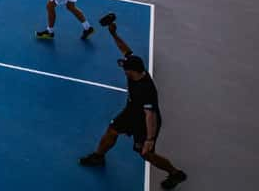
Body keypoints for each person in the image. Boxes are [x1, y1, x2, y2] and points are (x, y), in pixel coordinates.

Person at [79, 19, 188, 189]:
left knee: (146, 154)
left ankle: (175, 173)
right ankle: (98, 157)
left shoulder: (146, 89)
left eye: (126, 70)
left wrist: (150, 139)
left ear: (134, 71)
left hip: (144, 123)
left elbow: (150, 115)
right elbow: (125, 50)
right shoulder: (136, 68)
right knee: (111, 131)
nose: (124, 71)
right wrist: (114, 34)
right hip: (131, 112)